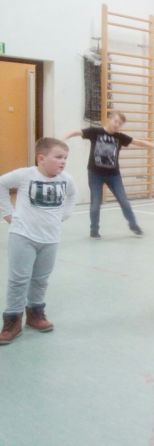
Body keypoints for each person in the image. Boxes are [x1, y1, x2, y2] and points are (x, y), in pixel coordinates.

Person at [0, 138, 77, 345]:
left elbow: (72, 196)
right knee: (18, 280)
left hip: (50, 239)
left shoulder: (66, 179)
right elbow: (1, 184)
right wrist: (8, 213)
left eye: (65, 158)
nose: (63, 161)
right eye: (58, 157)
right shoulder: (26, 175)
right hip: (23, 236)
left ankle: (35, 313)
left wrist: (64, 215)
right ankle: (12, 320)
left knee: (41, 279)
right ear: (41, 158)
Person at [64, 110, 154, 238]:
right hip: (95, 174)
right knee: (95, 203)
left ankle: (134, 226)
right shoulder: (95, 132)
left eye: (120, 124)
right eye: (115, 121)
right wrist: (63, 138)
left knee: (124, 201)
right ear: (109, 119)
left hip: (113, 175)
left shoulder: (120, 137)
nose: (116, 125)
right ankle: (94, 230)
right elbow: (77, 132)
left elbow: (138, 142)